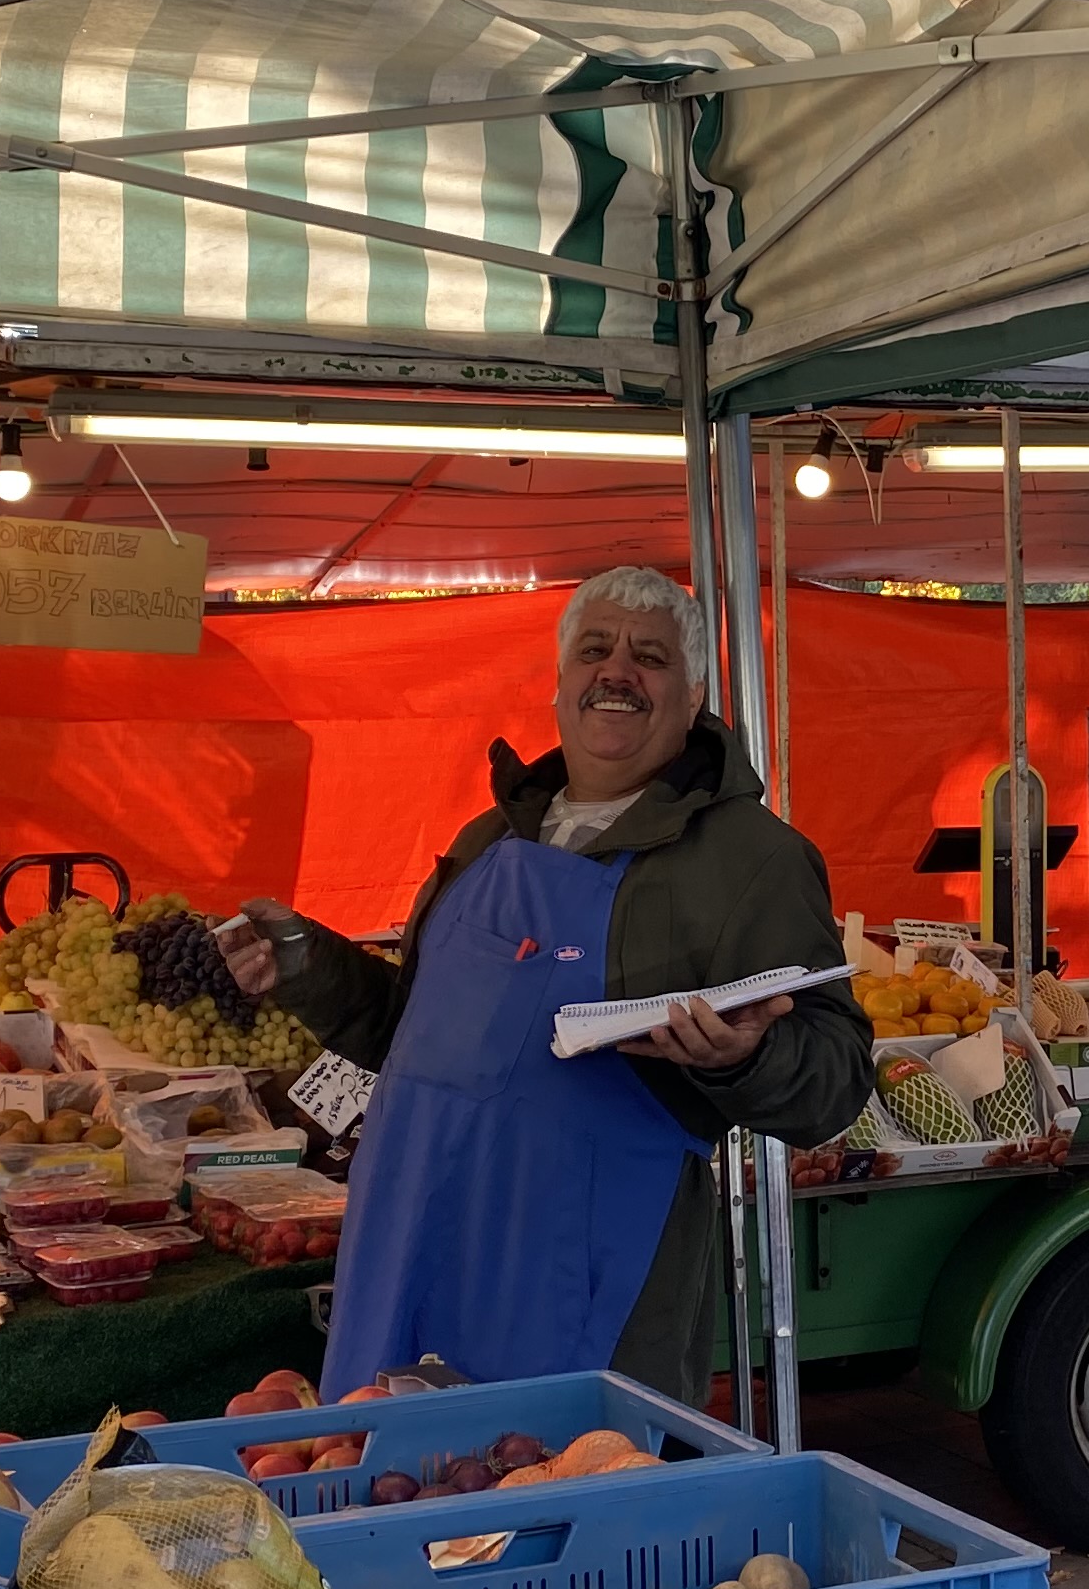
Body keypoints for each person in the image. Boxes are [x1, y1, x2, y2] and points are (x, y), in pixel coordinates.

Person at [228, 567, 872, 1404]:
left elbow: (837, 1080)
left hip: (575, 1270)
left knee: (555, 1485)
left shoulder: (753, 860)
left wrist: (743, 1057)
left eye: (651, 658)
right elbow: (415, 1032)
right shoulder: (489, 833)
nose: (617, 672)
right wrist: (307, 968)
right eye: (594, 651)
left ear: (694, 696)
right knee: (386, 1484)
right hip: (416, 1235)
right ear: (560, 682)